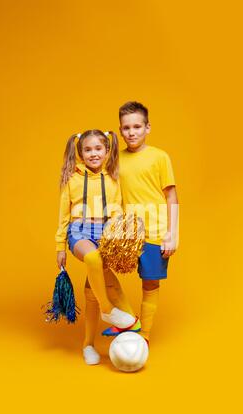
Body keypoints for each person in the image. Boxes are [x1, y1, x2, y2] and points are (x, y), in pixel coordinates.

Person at [55, 129, 141, 365]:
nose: (93, 154)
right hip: (79, 231)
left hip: (107, 233)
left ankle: (89, 345)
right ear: (80, 153)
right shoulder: (71, 178)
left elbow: (121, 207)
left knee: (92, 291)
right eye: (88, 150)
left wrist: (123, 232)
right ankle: (109, 310)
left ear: (106, 151)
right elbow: (63, 214)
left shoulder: (114, 176)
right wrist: (60, 245)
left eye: (98, 149)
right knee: (93, 258)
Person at [102, 102, 179, 345]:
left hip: (155, 231)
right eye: (126, 128)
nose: (132, 132)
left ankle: (143, 335)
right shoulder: (114, 159)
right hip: (125, 233)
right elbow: (111, 193)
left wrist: (172, 234)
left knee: (150, 281)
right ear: (120, 130)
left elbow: (171, 196)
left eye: (137, 126)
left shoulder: (159, 157)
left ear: (148, 127)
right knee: (99, 266)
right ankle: (127, 319)